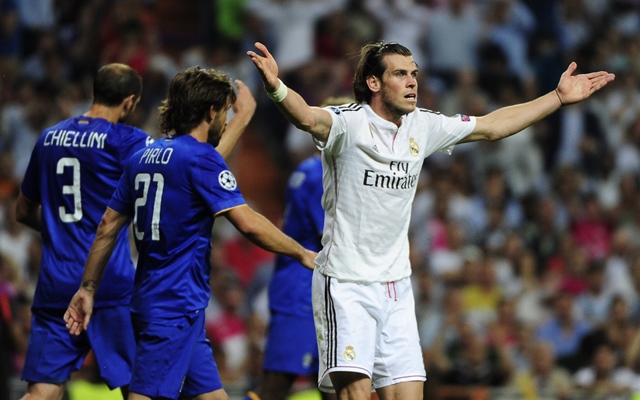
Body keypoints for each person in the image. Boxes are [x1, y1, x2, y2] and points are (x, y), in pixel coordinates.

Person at [246, 41, 615, 399]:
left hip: (396, 287)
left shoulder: (422, 126)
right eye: (400, 74)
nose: (412, 82)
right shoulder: (348, 125)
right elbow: (307, 116)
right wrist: (277, 87)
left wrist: (557, 98)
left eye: (415, 74)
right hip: (346, 284)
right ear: (374, 83)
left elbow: (492, 126)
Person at [63, 66, 317, 400]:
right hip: (173, 306)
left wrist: (88, 287)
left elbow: (107, 226)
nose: (225, 120)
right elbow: (248, 223)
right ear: (211, 112)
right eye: (225, 114)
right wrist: (301, 252)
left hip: (166, 303)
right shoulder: (199, 159)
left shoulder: (144, 156)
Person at [15, 62, 256, 400]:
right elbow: (192, 165)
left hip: (55, 284)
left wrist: (57, 230)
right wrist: (241, 120)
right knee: (141, 388)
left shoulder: (48, 138)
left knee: (41, 391)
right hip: (109, 285)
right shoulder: (127, 141)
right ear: (129, 102)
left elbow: (23, 211)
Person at [246, 98, 352, 400]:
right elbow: (333, 236)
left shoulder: (311, 169)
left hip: (320, 288)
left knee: (336, 386)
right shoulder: (320, 174)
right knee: (276, 385)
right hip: (301, 289)